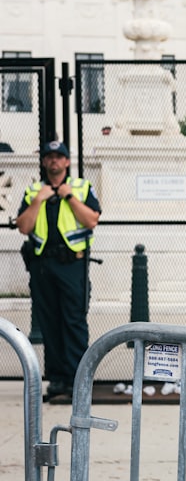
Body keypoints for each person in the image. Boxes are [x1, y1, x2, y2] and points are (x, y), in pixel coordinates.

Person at [15, 140, 101, 398]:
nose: (54, 161)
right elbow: (24, 227)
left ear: (66, 162)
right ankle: (57, 380)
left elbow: (92, 220)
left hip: (72, 264)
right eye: (49, 157)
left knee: (74, 321)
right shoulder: (33, 192)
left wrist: (69, 197)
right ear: (43, 162)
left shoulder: (81, 188)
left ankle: (78, 380)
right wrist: (39, 201)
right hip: (43, 266)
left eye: (58, 157)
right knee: (49, 322)